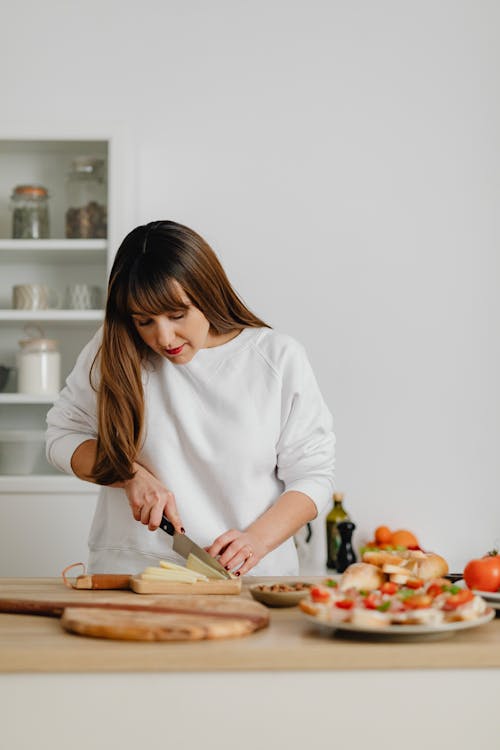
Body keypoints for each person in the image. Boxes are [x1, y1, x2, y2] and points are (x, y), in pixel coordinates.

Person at [46, 220, 335, 576]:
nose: (164, 337)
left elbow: (313, 476)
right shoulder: (113, 350)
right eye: (144, 321)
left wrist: (255, 541)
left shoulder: (277, 358)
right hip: (132, 574)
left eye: (177, 314)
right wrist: (128, 474)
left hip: (248, 579)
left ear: (208, 292)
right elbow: (62, 437)